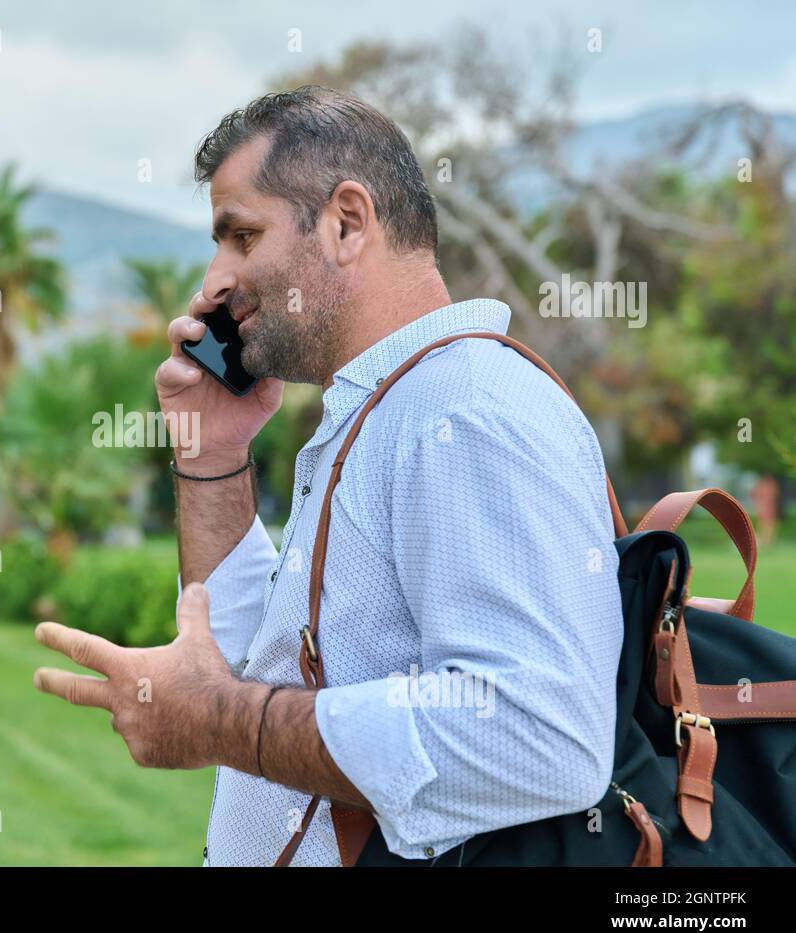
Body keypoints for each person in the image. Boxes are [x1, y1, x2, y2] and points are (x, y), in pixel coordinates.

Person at [32, 86, 624, 866]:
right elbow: (254, 666)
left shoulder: (464, 410)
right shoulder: (390, 407)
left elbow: (538, 734)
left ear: (347, 223)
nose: (213, 281)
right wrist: (213, 457)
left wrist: (218, 724)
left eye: (241, 236)